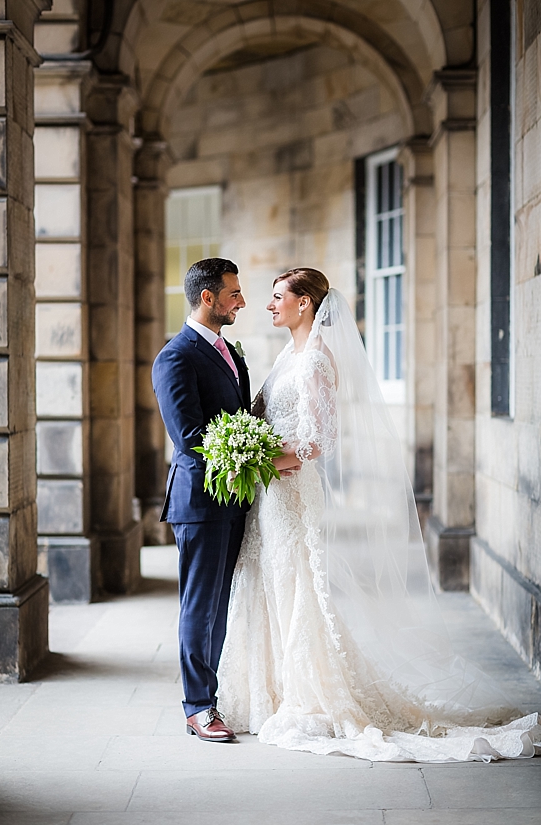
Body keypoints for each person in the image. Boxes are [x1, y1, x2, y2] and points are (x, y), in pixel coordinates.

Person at [217, 267, 541, 762]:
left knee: (299, 582)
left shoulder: (317, 361)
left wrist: (256, 458)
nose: (269, 304)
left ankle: (311, 692)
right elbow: (266, 416)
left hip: (291, 491)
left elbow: (319, 441)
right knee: (272, 581)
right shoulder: (288, 354)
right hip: (270, 494)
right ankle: (273, 689)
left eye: (278, 296)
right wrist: (244, 448)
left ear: (305, 304)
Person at [152, 258, 251, 743]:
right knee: (200, 605)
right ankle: (197, 707)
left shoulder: (230, 351)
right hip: (200, 500)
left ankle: (213, 696)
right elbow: (190, 436)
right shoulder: (176, 356)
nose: (242, 301)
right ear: (207, 298)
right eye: (233, 293)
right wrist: (259, 455)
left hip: (235, 498)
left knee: (223, 603)